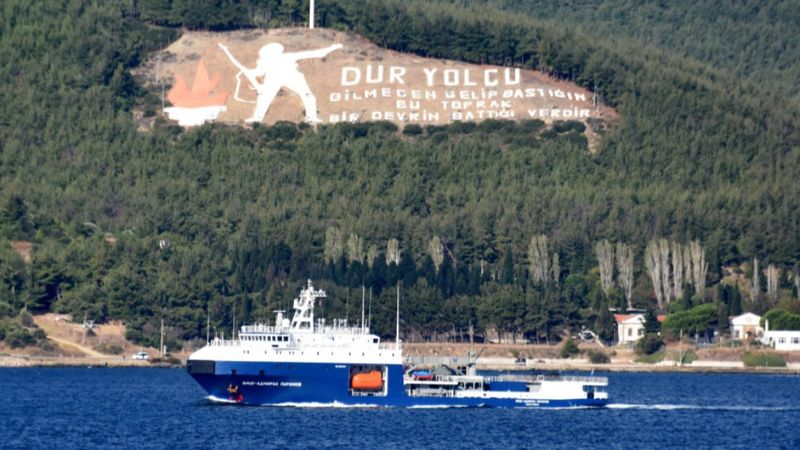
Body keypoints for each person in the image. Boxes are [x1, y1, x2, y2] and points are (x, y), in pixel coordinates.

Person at [218, 41, 343, 123]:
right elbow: (251, 72)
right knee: (264, 98)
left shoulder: (285, 57)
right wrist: (227, 52)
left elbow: (313, 53)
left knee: (309, 97)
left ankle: (312, 117)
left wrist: (331, 48)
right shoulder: (266, 63)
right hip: (274, 79)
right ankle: (257, 118)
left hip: (293, 76)